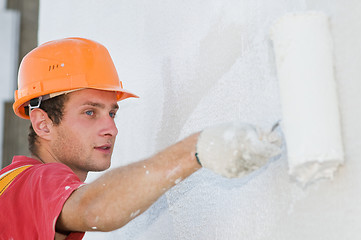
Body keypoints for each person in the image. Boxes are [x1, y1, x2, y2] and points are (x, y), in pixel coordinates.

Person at [0, 37, 281, 239]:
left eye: (112, 113)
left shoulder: (11, 187)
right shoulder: (33, 182)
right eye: (89, 112)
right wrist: (198, 149)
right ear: (43, 124)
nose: (111, 128)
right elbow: (94, 207)